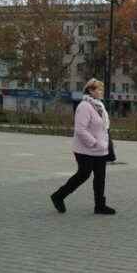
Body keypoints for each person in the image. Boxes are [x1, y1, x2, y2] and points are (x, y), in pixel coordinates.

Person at [50, 78, 116, 215]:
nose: (101, 92)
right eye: (99, 89)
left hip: (100, 150)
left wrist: (104, 144)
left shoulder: (99, 105)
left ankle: (100, 206)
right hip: (85, 149)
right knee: (83, 175)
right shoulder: (84, 106)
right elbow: (80, 130)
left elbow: (104, 127)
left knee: (100, 177)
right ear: (90, 91)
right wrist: (94, 143)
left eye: (102, 89)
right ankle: (58, 196)